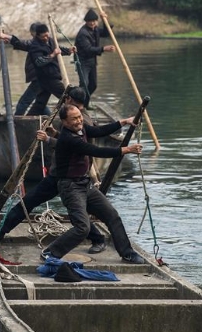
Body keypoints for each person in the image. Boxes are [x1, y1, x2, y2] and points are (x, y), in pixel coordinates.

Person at [0, 86, 106, 252]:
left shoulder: (81, 120)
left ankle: (98, 239)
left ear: (69, 100)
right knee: (28, 202)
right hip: (59, 175)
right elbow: (65, 143)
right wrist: (54, 134)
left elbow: (74, 147)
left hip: (73, 179)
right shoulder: (66, 116)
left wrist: (48, 139)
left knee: (77, 213)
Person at [41, 104, 145, 263]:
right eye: (74, 119)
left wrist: (124, 121)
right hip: (70, 187)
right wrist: (127, 149)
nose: (78, 121)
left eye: (79, 117)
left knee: (112, 216)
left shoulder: (81, 128)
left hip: (85, 184)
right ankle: (50, 252)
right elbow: (96, 151)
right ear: (64, 122)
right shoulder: (68, 138)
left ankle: (127, 253)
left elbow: (99, 131)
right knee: (83, 228)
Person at [0, 22, 50, 116]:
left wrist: (7, 37)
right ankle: (51, 118)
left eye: (32, 34)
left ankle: (16, 122)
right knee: (40, 102)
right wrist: (10, 41)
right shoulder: (44, 42)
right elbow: (24, 45)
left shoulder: (38, 43)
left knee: (23, 102)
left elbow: (24, 43)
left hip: (39, 78)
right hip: (45, 77)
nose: (32, 36)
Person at [27, 24, 75, 115]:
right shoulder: (35, 46)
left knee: (40, 103)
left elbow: (58, 49)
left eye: (47, 35)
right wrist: (52, 55)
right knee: (67, 97)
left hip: (51, 76)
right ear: (37, 36)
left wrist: (69, 51)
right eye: (43, 36)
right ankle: (74, 115)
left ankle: (27, 119)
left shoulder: (51, 40)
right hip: (47, 78)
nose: (46, 37)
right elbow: (39, 61)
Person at [75, 9, 115, 107]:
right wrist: (103, 49)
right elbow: (88, 49)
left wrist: (104, 20)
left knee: (93, 85)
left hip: (92, 61)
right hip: (82, 62)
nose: (92, 23)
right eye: (90, 21)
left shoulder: (96, 29)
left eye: (94, 21)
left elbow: (106, 33)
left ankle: (85, 104)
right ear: (86, 22)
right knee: (84, 84)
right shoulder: (82, 33)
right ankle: (78, 104)